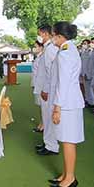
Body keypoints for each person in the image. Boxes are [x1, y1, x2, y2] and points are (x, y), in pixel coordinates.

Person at [48, 22, 85, 187]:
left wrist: (57, 107)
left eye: (53, 34)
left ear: (60, 36)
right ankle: (66, 174)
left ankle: (70, 177)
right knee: (65, 140)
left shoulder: (64, 53)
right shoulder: (68, 50)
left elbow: (63, 83)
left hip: (67, 104)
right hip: (69, 101)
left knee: (68, 141)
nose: (51, 37)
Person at [35, 25, 60, 156]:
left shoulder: (50, 49)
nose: (38, 36)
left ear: (45, 34)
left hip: (49, 90)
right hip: (46, 88)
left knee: (48, 118)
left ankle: (51, 145)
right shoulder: (47, 48)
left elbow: (50, 72)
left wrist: (45, 89)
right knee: (46, 117)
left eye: (39, 34)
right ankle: (48, 142)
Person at [32, 40, 45, 133]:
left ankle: (43, 125)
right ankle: (42, 123)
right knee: (40, 106)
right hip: (37, 84)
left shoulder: (43, 57)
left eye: (36, 46)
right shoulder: (38, 57)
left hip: (41, 85)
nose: (34, 48)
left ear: (41, 47)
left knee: (43, 107)